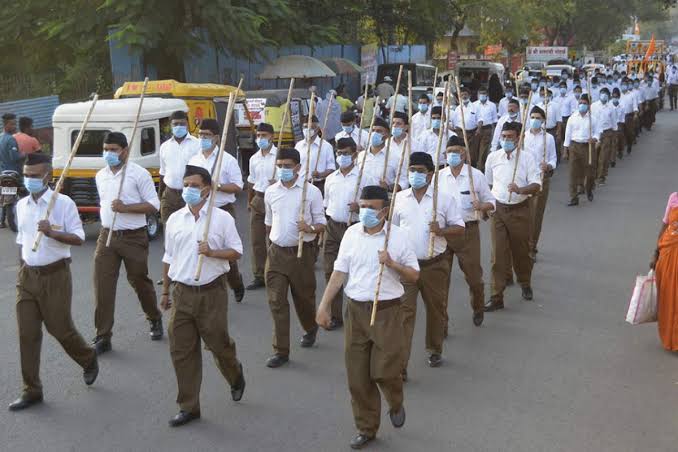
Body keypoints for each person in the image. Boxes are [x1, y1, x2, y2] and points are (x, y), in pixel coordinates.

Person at [316, 185, 419, 450]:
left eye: (371, 208)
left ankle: (395, 401)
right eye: (362, 206)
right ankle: (366, 427)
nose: (365, 211)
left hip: (386, 311)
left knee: (385, 372)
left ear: (385, 211)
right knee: (358, 376)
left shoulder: (398, 238)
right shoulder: (351, 234)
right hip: (356, 311)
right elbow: (339, 273)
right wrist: (324, 305)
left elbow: (413, 276)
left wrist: (393, 263)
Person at [8, 153, 99, 411]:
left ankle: (88, 356)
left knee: (60, 328)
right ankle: (31, 390)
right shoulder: (21, 205)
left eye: (35, 176)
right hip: (28, 277)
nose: (29, 180)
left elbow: (79, 238)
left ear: (47, 176)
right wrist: (21, 268)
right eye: (26, 175)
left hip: (56, 275)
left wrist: (52, 232)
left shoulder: (63, 203)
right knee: (27, 334)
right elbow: (22, 242)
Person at [160, 164, 246, 427]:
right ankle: (189, 406)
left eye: (195, 186)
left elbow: (236, 252)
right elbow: (168, 257)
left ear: (207, 190)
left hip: (211, 293)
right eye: (186, 185)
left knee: (218, 346)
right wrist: (165, 290)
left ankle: (235, 374)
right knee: (181, 351)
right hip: (182, 293)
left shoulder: (221, 219)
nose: (188, 190)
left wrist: (212, 253)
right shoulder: (175, 219)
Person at [393, 152, 464, 372]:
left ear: (431, 174)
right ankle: (401, 363)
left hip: (435, 265)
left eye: (421, 171)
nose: (415, 174)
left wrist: (441, 230)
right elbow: (392, 231)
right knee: (404, 314)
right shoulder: (399, 199)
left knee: (436, 309)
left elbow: (460, 228)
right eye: (412, 170)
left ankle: (434, 349)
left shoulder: (443, 200)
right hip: (407, 268)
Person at [92, 132, 163, 354]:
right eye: (106, 149)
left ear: (124, 150)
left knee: (139, 280)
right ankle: (103, 335)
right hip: (107, 236)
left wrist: (126, 208)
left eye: (113, 149)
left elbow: (154, 205)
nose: (109, 153)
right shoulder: (100, 175)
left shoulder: (138, 174)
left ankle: (154, 317)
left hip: (133, 236)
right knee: (102, 286)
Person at [264, 147, 326, 368]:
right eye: (280, 166)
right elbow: (269, 223)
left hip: (302, 253)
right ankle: (281, 350)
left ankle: (310, 327)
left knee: (303, 298)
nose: (283, 170)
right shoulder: (271, 192)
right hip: (277, 253)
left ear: (298, 168)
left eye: (288, 166)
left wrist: (308, 226)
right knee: (276, 300)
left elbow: (321, 224)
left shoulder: (311, 192)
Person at [484, 122, 541, 311]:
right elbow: (488, 185)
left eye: (510, 137)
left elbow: (536, 186)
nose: (506, 140)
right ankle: (496, 295)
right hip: (499, 210)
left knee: (521, 252)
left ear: (518, 138)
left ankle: (525, 282)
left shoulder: (527, 159)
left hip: (520, 209)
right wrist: (487, 207)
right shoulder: (493, 158)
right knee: (497, 255)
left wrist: (520, 189)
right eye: (504, 136)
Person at [322, 138, 378, 330]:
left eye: (346, 153)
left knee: (357, 270)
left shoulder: (364, 177)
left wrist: (359, 206)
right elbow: (326, 205)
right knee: (331, 270)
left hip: (355, 227)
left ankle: (361, 309)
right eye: (339, 153)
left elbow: (376, 205)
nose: (342, 157)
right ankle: (336, 314)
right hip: (333, 227)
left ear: (355, 154)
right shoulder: (331, 179)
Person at [439, 136, 495, 327]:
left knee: (474, 277)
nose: (453, 155)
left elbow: (492, 202)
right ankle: (441, 323)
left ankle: (478, 307)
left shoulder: (475, 176)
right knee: (440, 281)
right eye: (450, 152)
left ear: (464, 153)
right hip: (444, 232)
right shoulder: (438, 178)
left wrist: (482, 205)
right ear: (445, 154)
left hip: (467, 232)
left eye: (457, 151)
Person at [187, 119, 245, 302]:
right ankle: (203, 284)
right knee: (199, 248)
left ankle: (235, 283)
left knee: (226, 254)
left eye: (207, 135)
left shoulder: (227, 160)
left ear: (217, 138)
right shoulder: (194, 159)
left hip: (222, 209)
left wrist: (216, 186)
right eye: (200, 135)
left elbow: (238, 186)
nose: (203, 138)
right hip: (199, 210)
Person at [246, 123, 277, 290]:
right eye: (258, 135)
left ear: (271, 136)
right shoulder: (254, 158)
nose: (261, 139)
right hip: (259, 199)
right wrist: (249, 201)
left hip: (276, 199)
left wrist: (278, 182)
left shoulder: (279, 156)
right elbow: (251, 181)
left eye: (264, 135)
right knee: (257, 240)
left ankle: (274, 272)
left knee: (274, 238)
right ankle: (259, 275)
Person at [523, 106, 557, 260]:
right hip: (524, 179)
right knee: (522, 214)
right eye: (532, 117)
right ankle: (520, 245)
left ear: (543, 121)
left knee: (536, 214)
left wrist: (548, 166)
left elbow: (553, 159)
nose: (535, 120)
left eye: (538, 118)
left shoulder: (548, 138)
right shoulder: (523, 136)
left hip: (541, 179)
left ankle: (531, 247)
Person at [159, 110, 201, 224]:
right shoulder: (164, 147)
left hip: (189, 194)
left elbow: (202, 172)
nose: (179, 127)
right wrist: (160, 196)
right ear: (170, 126)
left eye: (182, 124)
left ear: (188, 124)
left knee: (189, 229)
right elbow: (162, 173)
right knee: (168, 231)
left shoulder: (197, 144)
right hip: (169, 195)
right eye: (175, 124)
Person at [651, 192, 678, 351]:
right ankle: (671, 339)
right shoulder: (674, 197)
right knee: (668, 298)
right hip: (668, 256)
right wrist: (655, 253)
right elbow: (665, 225)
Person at [563, 94, 600, 206]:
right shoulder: (572, 118)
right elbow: (568, 135)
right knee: (573, 173)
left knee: (590, 171)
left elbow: (598, 132)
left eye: (584, 103)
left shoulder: (593, 119)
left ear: (589, 105)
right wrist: (565, 150)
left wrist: (594, 138)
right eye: (580, 103)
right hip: (574, 146)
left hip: (588, 146)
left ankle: (588, 188)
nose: (582, 105)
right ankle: (573, 197)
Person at [355, 117, 408, 191]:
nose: (374, 133)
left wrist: (390, 187)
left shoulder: (395, 157)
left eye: (379, 131)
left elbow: (404, 180)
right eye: (373, 130)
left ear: (387, 135)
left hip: (383, 197)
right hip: (362, 196)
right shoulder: (361, 156)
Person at [295, 115, 336, 194]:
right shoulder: (298, 146)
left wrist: (320, 174)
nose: (308, 130)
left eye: (311, 127)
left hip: (319, 185)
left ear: (317, 129)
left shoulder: (326, 146)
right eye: (305, 127)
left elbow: (331, 168)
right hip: (301, 184)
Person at [590, 87, 617, 186]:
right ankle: (593, 175)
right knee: (594, 156)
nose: (604, 95)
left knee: (604, 157)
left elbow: (614, 123)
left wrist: (614, 136)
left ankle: (602, 176)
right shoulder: (593, 106)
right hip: (595, 134)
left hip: (606, 133)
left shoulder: (611, 108)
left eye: (606, 93)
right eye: (602, 93)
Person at [0, 113, 20, 228]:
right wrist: (23, 155)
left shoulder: (0, 137)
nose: (15, 127)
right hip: (12, 173)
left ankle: (1, 221)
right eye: (13, 124)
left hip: (2, 172)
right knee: (12, 197)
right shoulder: (11, 140)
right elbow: (14, 158)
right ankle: (13, 223)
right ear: (6, 125)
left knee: (3, 196)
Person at [451, 87, 480, 167]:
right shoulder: (457, 109)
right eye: (462, 95)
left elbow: (480, 119)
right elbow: (454, 123)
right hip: (460, 133)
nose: (464, 96)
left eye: (465, 94)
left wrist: (478, 129)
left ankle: (471, 167)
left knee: (472, 153)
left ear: (469, 95)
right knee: (461, 151)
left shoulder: (475, 107)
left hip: (472, 133)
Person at [474, 87, 498, 171]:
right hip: (476, 130)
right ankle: (475, 166)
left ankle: (481, 167)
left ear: (487, 94)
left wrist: (495, 132)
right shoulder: (474, 105)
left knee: (483, 151)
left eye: (484, 93)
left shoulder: (492, 105)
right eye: (480, 94)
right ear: (477, 95)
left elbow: (495, 119)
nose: (482, 95)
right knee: (475, 150)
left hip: (487, 129)